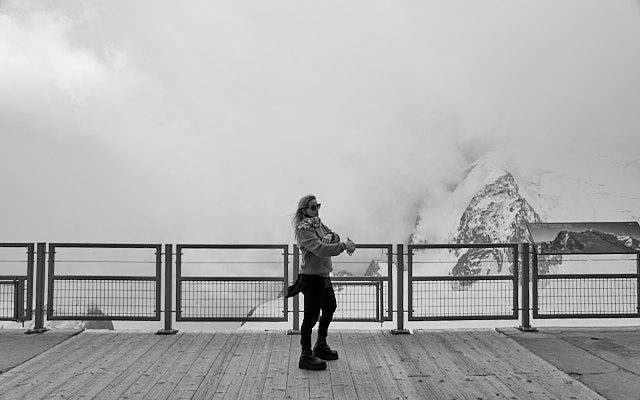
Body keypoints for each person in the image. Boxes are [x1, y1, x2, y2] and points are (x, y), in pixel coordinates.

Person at [286, 195, 356, 371]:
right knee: (310, 317)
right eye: (312, 207)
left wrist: (331, 235)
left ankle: (320, 345)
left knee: (330, 307)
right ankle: (305, 355)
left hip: (323, 276)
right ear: (304, 211)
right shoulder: (304, 229)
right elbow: (320, 249)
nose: (316, 209)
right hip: (312, 278)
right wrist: (343, 246)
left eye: (318, 206)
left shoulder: (318, 224)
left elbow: (333, 234)